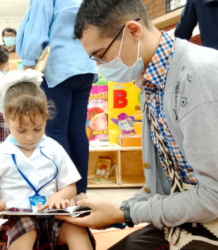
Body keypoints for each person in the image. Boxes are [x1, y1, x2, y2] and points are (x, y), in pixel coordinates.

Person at [58, 0, 218, 249]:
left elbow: (213, 197)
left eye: (101, 56)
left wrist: (125, 214)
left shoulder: (195, 76)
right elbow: (164, 186)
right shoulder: (150, 80)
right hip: (191, 213)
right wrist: (120, 210)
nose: (100, 67)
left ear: (133, 31)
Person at [0, 70, 95, 250]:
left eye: (38, 129)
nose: (30, 138)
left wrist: (59, 197)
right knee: (27, 229)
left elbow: (71, 186)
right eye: (21, 131)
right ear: (6, 120)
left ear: (46, 118)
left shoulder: (54, 149)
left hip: (52, 216)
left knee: (76, 227)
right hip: (16, 222)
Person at [16, 0, 98, 194]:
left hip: (58, 67)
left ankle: (65, 192)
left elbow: (37, 29)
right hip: (85, 67)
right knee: (77, 131)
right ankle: (80, 192)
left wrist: (28, 65)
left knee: (57, 132)